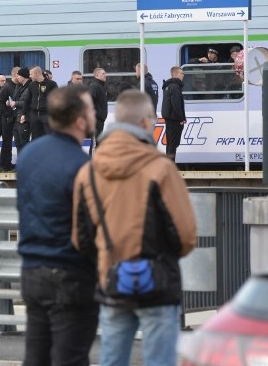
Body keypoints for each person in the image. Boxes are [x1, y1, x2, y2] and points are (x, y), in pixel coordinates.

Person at [72, 90, 197, 366]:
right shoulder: (161, 169)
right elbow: (186, 236)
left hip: (112, 280)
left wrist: (108, 259)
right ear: (144, 122)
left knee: (112, 359)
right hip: (159, 283)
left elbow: (81, 239)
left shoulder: (87, 172)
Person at [17, 85, 99, 366]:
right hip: (70, 274)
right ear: (79, 119)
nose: (95, 115)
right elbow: (89, 229)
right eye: (91, 110)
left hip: (32, 272)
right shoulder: (82, 166)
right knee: (70, 358)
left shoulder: (28, 155)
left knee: (36, 357)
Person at [161, 66, 187, 163]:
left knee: (170, 143)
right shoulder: (175, 86)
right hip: (175, 119)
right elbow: (176, 104)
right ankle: (170, 166)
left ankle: (169, 165)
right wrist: (181, 118)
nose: (183, 75)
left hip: (170, 119)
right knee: (173, 144)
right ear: (175, 74)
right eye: (181, 73)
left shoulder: (168, 86)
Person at [0, 72, 17, 172]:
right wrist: (7, 114)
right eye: (1, 80)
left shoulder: (16, 86)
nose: (3, 82)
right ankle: (4, 165)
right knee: (7, 142)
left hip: (12, 117)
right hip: (6, 118)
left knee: (9, 142)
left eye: (4, 80)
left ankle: (8, 163)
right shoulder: (8, 87)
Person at [29, 66, 57, 139]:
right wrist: (23, 113)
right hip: (34, 115)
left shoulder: (52, 84)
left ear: (37, 73)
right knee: (35, 138)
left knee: (49, 137)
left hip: (47, 114)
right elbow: (27, 100)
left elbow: (57, 99)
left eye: (31, 74)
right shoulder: (31, 85)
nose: (30, 76)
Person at [88, 67, 108, 141]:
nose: (105, 75)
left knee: (98, 142)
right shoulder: (95, 86)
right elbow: (89, 99)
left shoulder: (102, 86)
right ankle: (93, 153)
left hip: (100, 119)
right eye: (103, 74)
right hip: (95, 119)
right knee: (95, 142)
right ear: (97, 75)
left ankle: (97, 153)